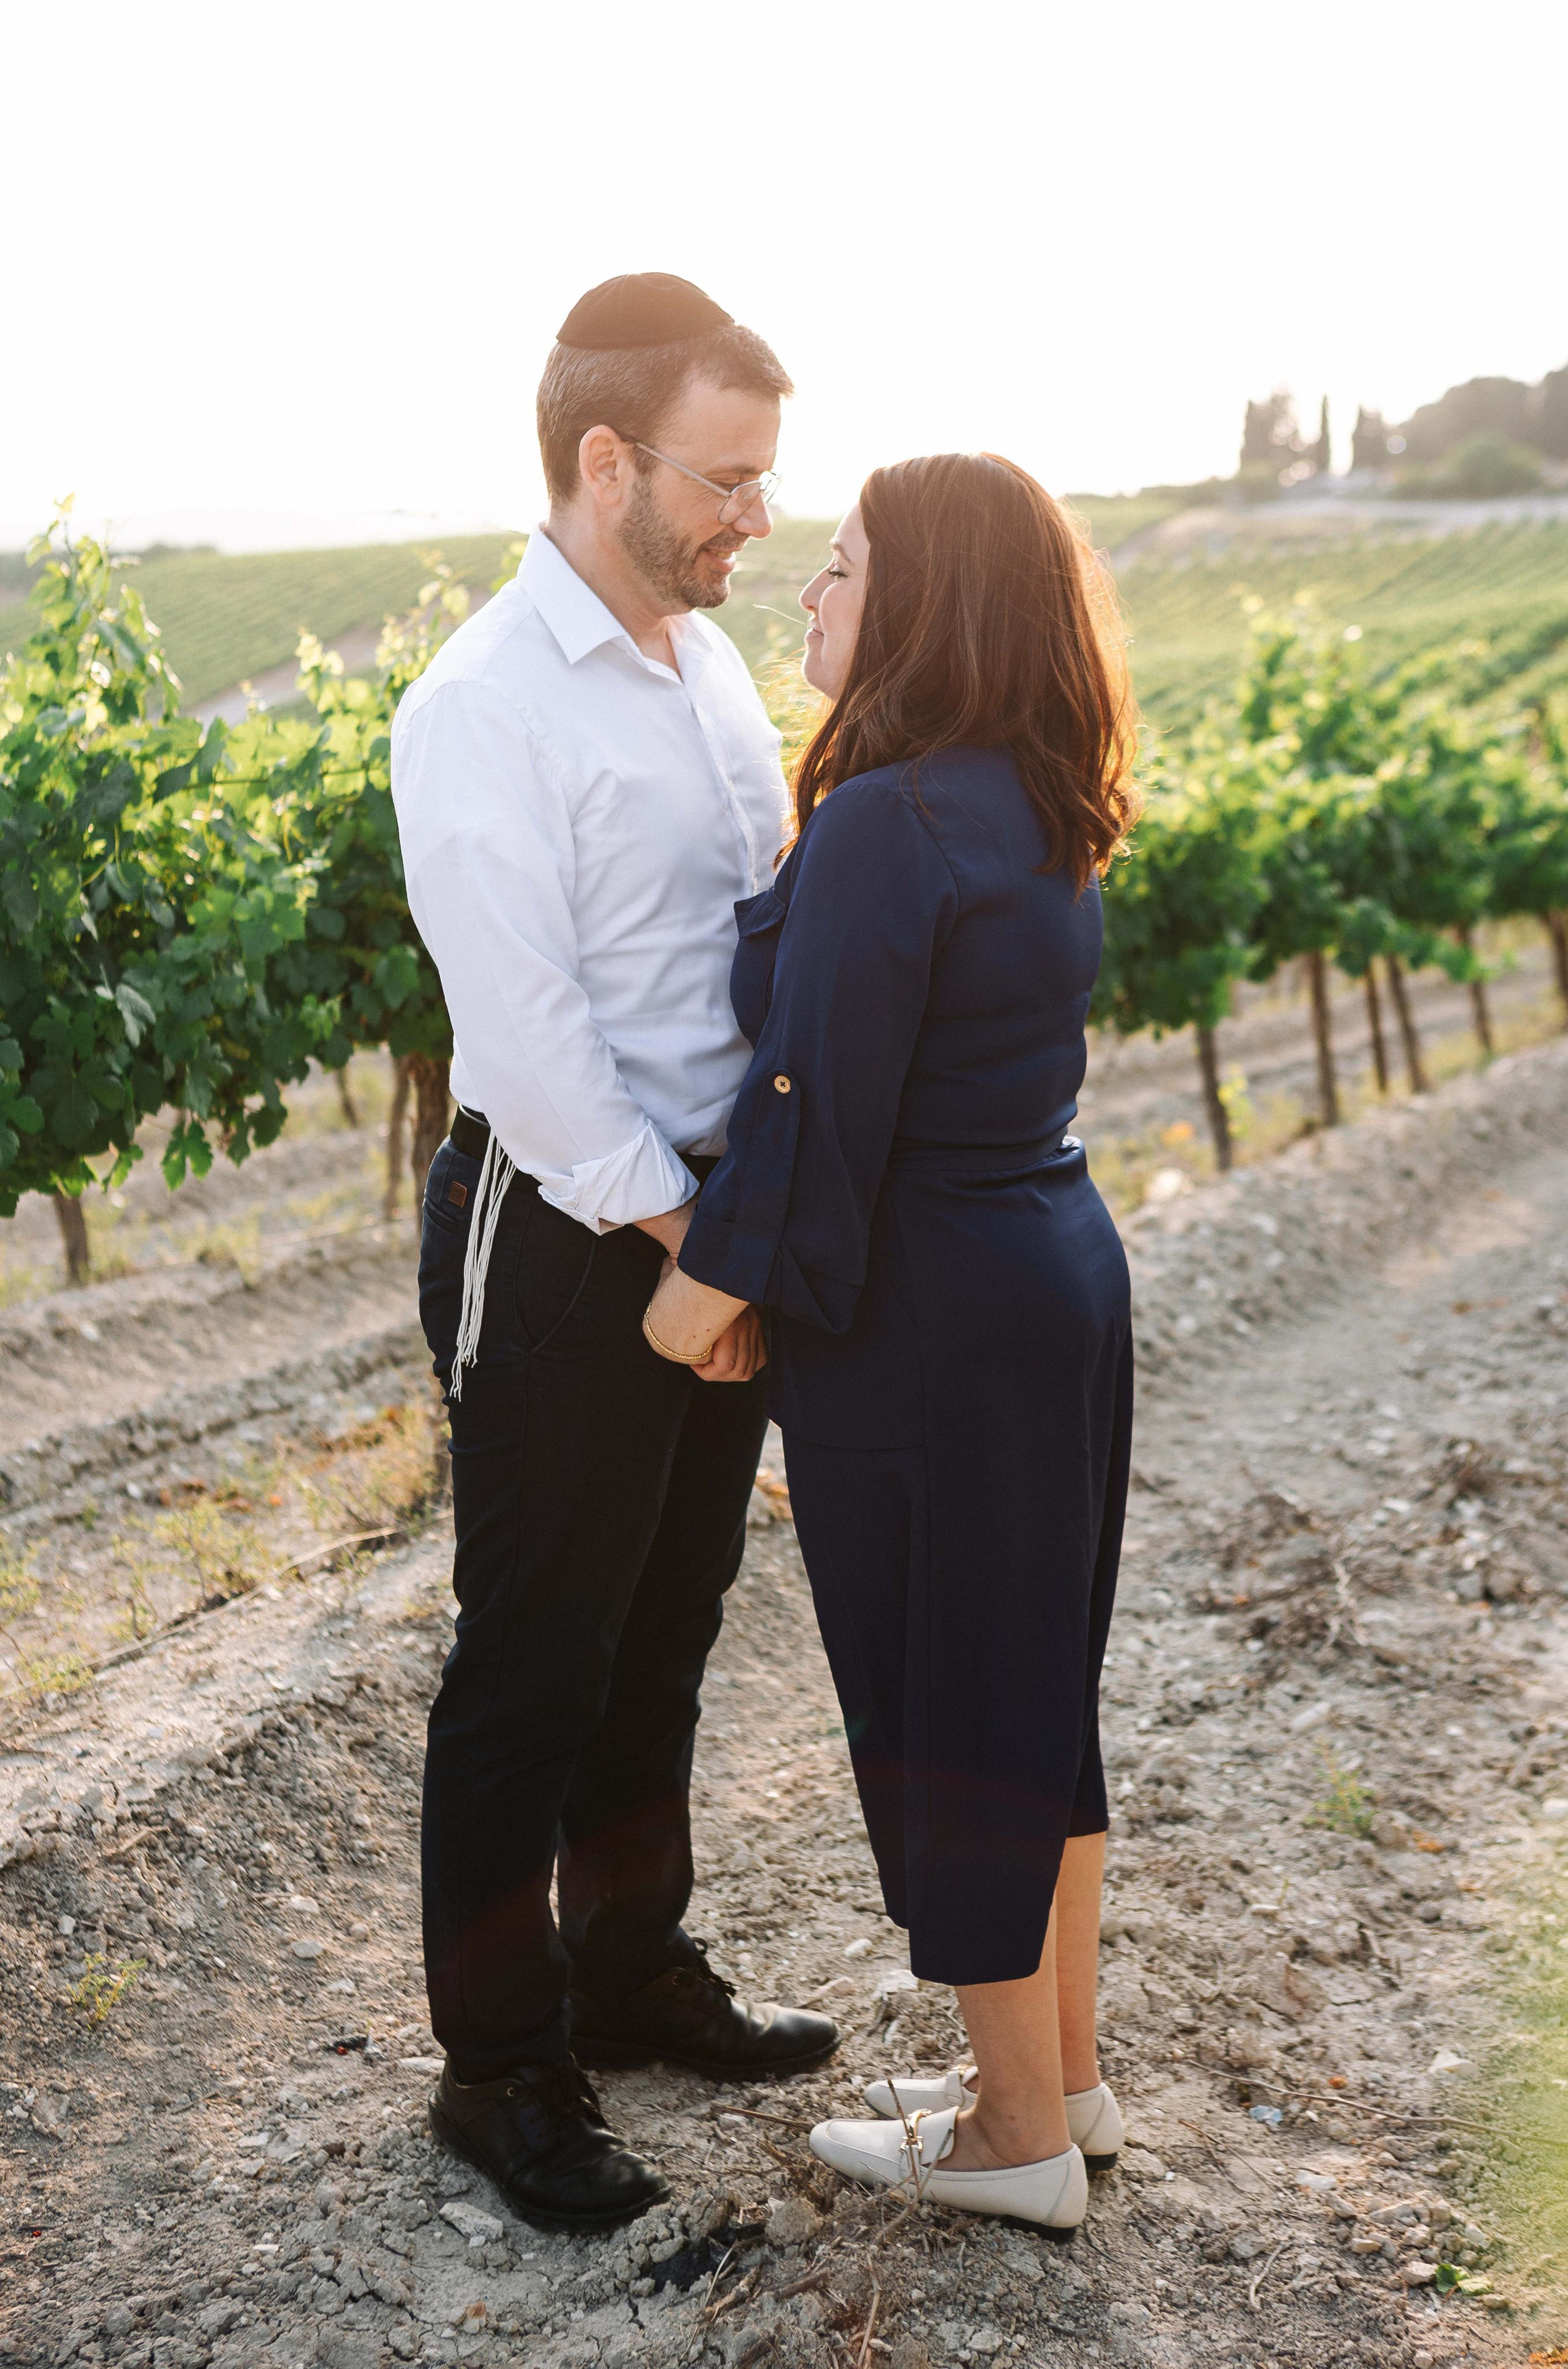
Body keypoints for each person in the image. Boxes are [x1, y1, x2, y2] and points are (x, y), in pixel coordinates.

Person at [644, 452, 1137, 2238]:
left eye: (843, 568)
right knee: (1031, 1693)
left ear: (920, 602)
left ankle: (1015, 2141)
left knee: (948, 1706)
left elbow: (816, 1100)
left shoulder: (886, 820)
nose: (811, 596)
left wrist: (710, 1289)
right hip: (1052, 1272)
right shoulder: (1027, 796)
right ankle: (1058, 2080)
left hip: (937, 1318)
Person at [390, 273, 839, 2236]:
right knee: (535, 1667)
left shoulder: (708, 667)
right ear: (605, 463)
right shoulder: (481, 705)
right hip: (575, 1237)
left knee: (666, 1632)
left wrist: (743, 1242)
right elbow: (530, 1037)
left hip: (709, 1234)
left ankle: (632, 1969)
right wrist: (691, 1240)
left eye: (767, 480)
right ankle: (499, 2070)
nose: (759, 516)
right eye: (728, 481)